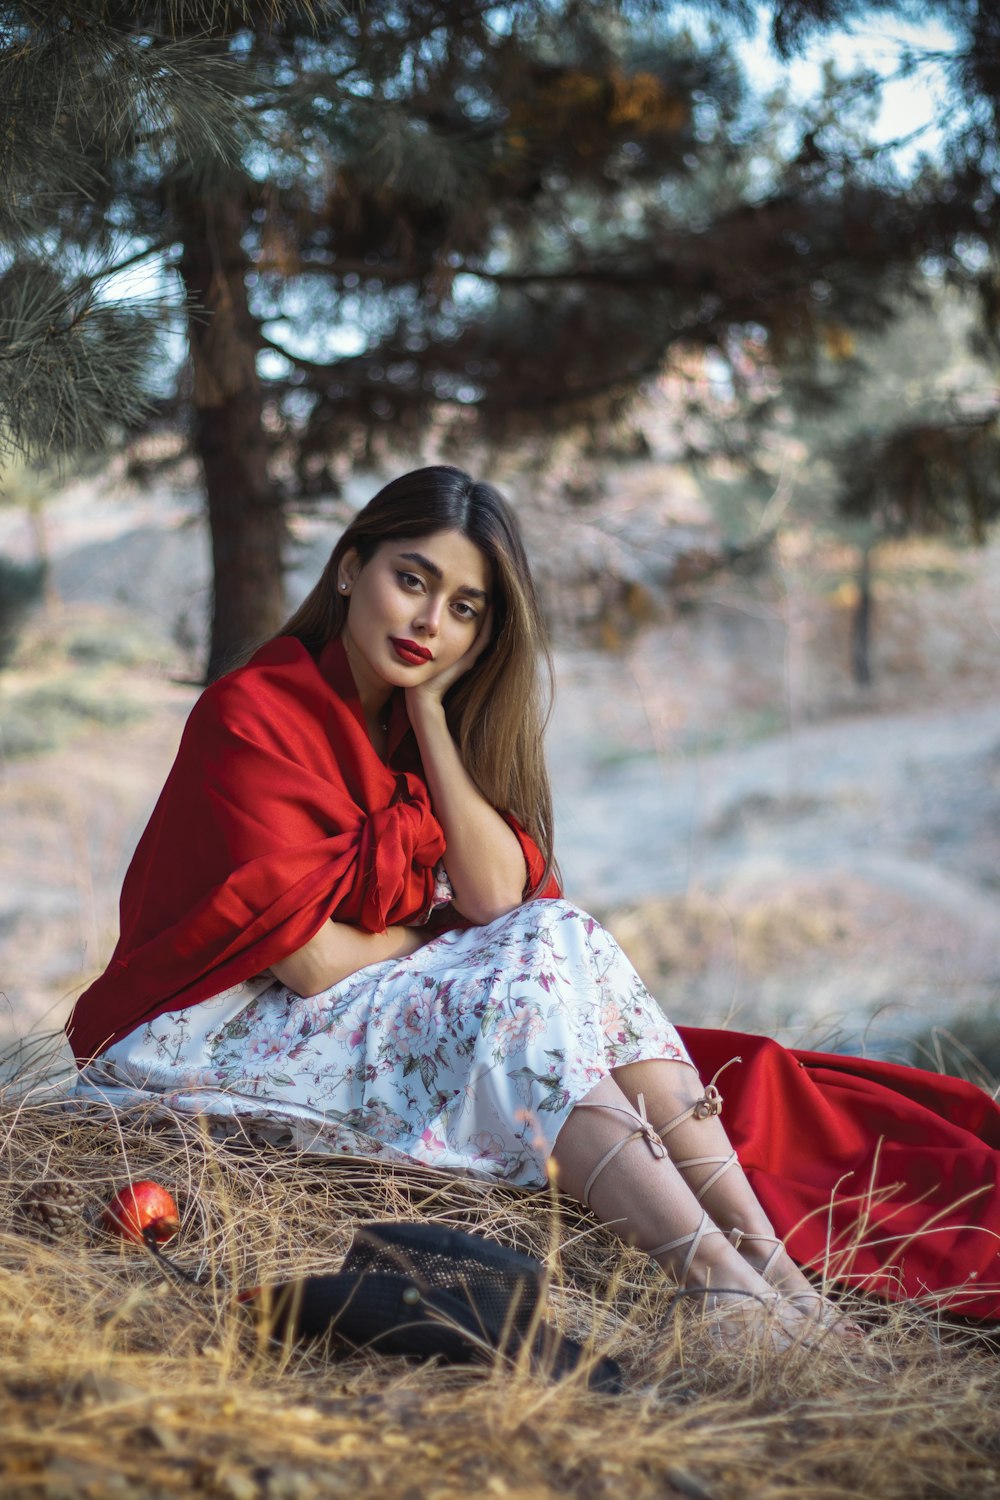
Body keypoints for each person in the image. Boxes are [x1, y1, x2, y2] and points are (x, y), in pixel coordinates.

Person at [67, 466, 1000, 1343]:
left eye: (463, 609)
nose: (429, 621)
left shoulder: (410, 724)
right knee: (521, 984)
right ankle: (715, 1274)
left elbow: (497, 898)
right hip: (207, 1032)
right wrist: (422, 936)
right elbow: (305, 961)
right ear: (351, 568)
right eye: (413, 580)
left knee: (561, 935)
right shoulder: (251, 713)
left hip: (334, 1001)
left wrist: (432, 718)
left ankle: (766, 1271)